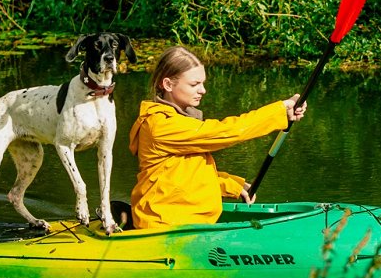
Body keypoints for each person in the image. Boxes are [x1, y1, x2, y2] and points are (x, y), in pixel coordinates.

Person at [128, 46, 307, 230]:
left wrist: (232, 186)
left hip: (183, 220)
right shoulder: (161, 125)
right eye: (194, 84)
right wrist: (279, 112)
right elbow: (227, 131)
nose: (203, 90)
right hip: (164, 224)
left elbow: (185, 178)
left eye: (203, 83)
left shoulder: (180, 120)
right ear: (168, 84)